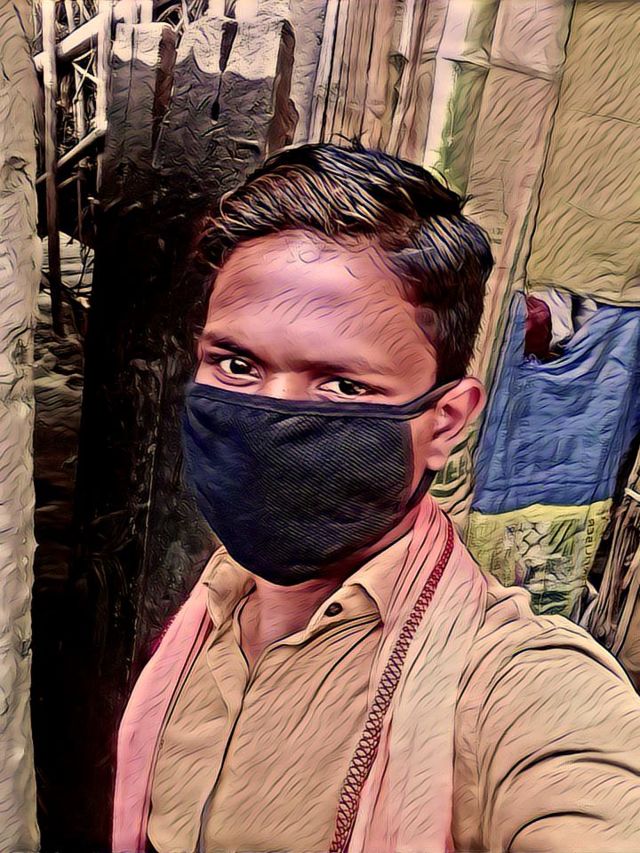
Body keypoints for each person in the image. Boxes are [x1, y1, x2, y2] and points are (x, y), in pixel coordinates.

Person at [112, 143, 640, 853]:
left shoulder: (518, 688)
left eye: (343, 384)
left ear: (444, 423)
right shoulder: (213, 604)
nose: (272, 413)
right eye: (236, 363)